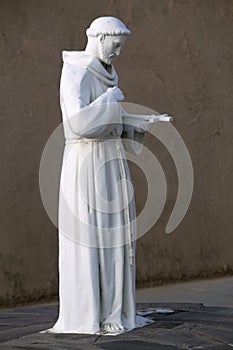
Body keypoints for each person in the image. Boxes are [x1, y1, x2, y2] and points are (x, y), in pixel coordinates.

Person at [42, 16, 154, 336]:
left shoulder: (106, 75)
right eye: (116, 45)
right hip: (86, 161)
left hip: (109, 160)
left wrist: (139, 122)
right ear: (101, 38)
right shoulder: (75, 72)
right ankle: (93, 313)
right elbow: (76, 124)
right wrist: (110, 100)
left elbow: (111, 121)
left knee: (114, 235)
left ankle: (113, 310)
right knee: (93, 234)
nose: (118, 53)